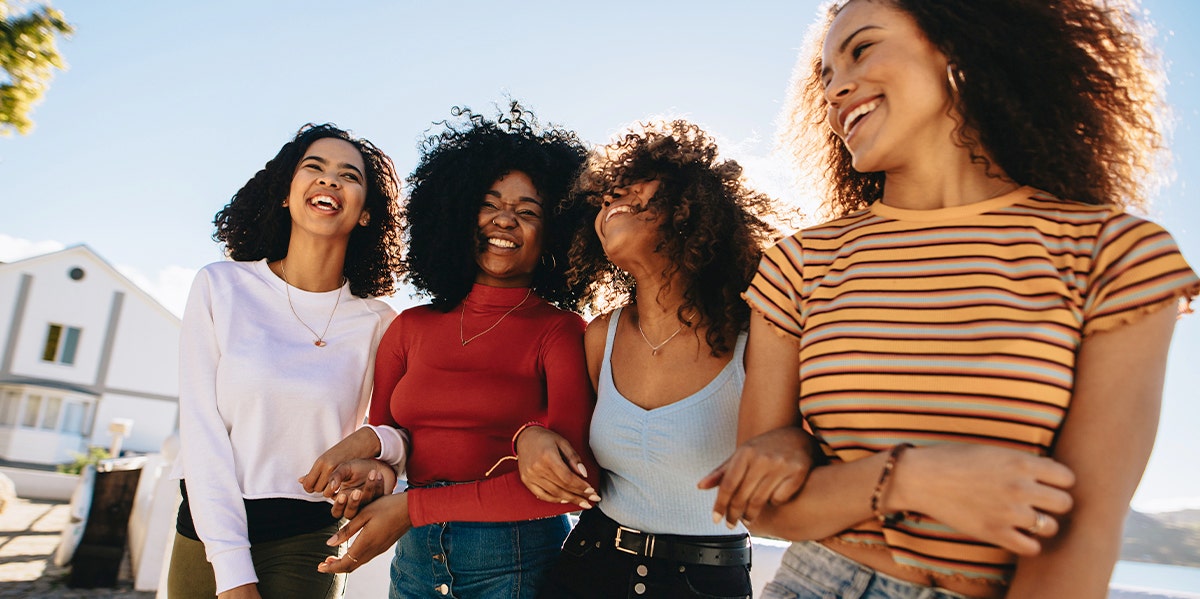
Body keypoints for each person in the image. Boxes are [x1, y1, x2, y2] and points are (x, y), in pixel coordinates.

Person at [705, 0, 1200, 597]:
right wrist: (908, 478)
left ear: (964, 47)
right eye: (825, 77)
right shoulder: (803, 261)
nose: (835, 91)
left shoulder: (1113, 254)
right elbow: (758, 508)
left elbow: (1082, 532)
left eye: (861, 49)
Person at [309, 102, 600, 599]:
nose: (506, 220)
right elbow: (391, 444)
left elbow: (576, 482)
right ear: (458, 213)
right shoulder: (410, 327)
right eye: (489, 204)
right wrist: (371, 475)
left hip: (516, 560)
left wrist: (413, 509)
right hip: (416, 560)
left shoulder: (560, 331)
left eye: (528, 212)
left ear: (553, 233)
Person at [515, 120, 778, 598]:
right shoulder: (601, 336)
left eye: (632, 184)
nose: (611, 196)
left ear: (688, 205)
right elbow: (560, 433)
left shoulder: (757, 335)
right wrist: (529, 435)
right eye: (603, 195)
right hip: (587, 566)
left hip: (704, 583)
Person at [168, 123, 403, 599]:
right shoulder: (220, 287)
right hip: (208, 533)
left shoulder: (379, 321)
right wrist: (233, 570)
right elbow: (201, 429)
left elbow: (404, 434)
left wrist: (381, 452)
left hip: (310, 539)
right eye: (313, 168)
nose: (329, 180)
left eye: (349, 175)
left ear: (364, 214)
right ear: (285, 194)